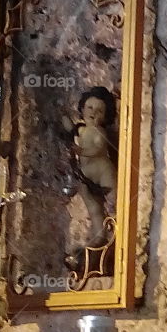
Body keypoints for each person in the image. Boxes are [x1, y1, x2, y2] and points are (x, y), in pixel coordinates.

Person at [62, 86, 118, 255]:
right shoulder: (81, 129)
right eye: (90, 108)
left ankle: (117, 232)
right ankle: (99, 235)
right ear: (82, 109)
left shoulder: (99, 132)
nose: (94, 113)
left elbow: (99, 150)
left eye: (100, 111)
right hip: (85, 174)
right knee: (93, 207)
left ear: (105, 116)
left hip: (102, 172)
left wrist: (82, 152)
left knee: (114, 200)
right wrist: (63, 118)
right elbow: (70, 129)